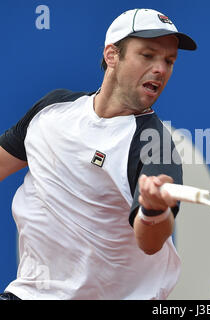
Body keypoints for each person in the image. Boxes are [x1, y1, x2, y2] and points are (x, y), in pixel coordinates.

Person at [0, 8, 197, 300]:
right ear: (112, 55)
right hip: (31, 292)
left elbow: (151, 242)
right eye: (148, 55)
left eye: (169, 61)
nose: (161, 69)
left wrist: (154, 210)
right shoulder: (53, 109)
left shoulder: (153, 145)